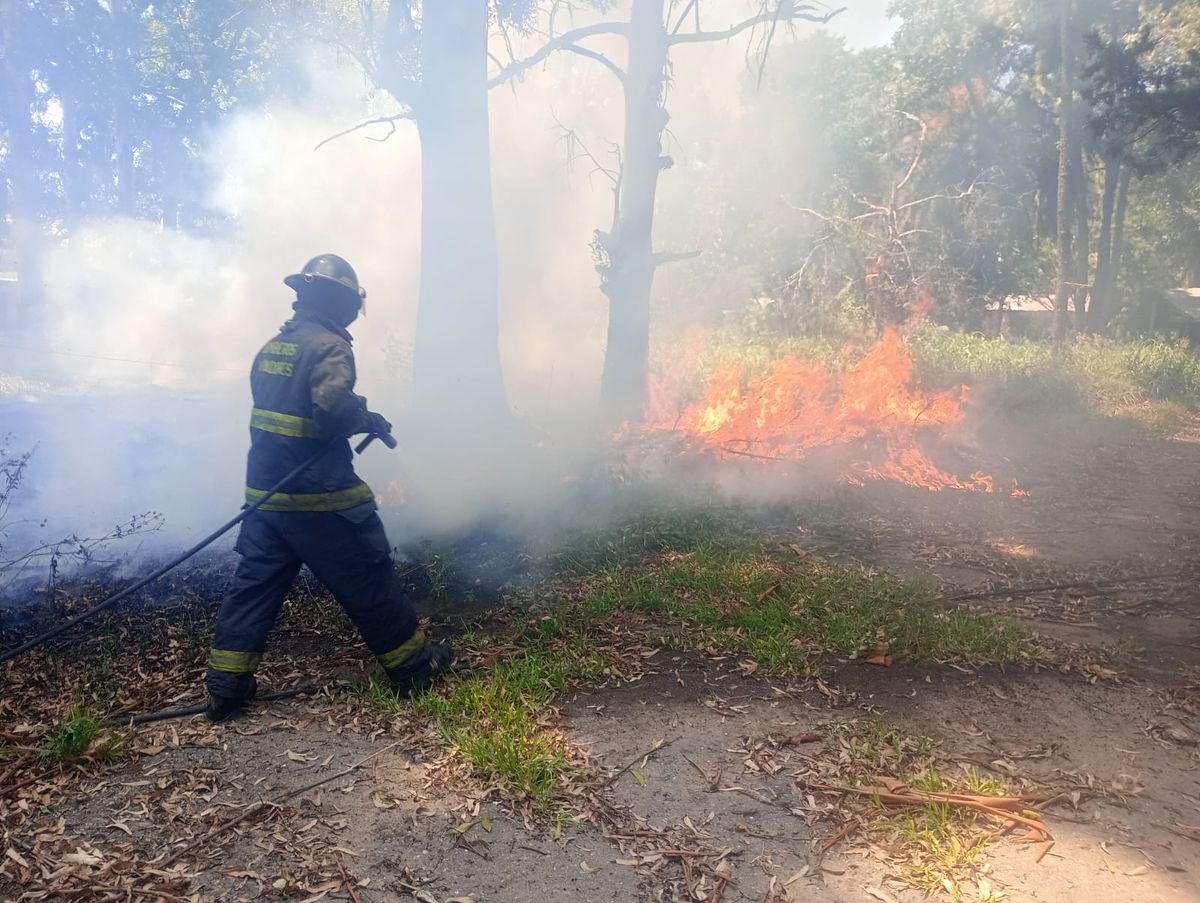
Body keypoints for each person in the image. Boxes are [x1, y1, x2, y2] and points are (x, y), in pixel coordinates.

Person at [204, 254, 452, 722]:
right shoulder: (329, 348)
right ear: (341, 302)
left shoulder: (274, 347)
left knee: (253, 589)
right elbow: (332, 409)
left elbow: (290, 409)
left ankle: (226, 686)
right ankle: (415, 668)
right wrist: (366, 417)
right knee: (368, 576)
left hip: (266, 498)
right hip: (322, 501)